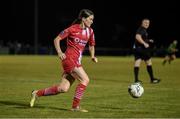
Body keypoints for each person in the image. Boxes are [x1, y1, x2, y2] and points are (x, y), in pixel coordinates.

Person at [30, 9, 98, 112]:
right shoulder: (72, 29)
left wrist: (92, 56)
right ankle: (75, 107)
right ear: (83, 19)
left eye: (92, 19)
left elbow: (91, 45)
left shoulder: (90, 31)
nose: (92, 21)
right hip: (69, 60)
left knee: (63, 89)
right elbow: (56, 39)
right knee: (85, 80)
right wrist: (59, 52)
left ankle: (36, 93)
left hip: (76, 61)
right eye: (90, 19)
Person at [133, 18, 160, 84]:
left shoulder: (142, 29)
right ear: (142, 23)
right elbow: (137, 37)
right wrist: (144, 43)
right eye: (145, 22)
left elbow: (141, 38)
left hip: (137, 49)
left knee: (137, 62)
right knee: (149, 62)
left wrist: (148, 40)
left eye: (148, 23)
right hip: (142, 49)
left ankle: (136, 80)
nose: (147, 24)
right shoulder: (142, 29)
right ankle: (152, 79)